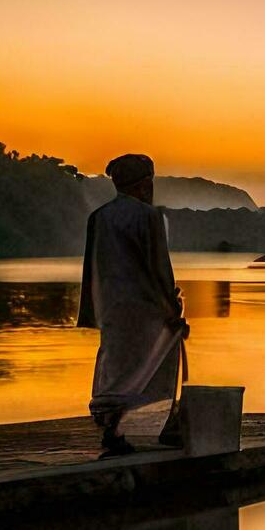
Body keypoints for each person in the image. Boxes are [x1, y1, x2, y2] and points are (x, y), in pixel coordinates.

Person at [77, 154, 189, 456]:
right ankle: (160, 423)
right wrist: (171, 309)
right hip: (145, 308)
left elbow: (93, 270)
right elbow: (159, 269)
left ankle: (112, 420)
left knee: (117, 363)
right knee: (159, 360)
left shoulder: (99, 217)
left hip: (111, 307)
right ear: (143, 184)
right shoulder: (148, 217)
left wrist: (93, 310)